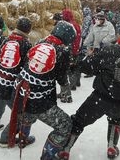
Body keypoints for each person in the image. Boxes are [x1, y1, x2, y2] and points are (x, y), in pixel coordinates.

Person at [59, 21, 120, 160]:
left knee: (79, 121)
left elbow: (88, 67)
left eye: (119, 33)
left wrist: (82, 60)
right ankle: (111, 147)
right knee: (116, 119)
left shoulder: (110, 50)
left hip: (101, 98)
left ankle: (65, 149)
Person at [6, 21, 76, 159]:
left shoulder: (40, 42)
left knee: (27, 114)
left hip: (20, 91)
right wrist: (66, 92)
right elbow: (61, 78)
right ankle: (47, 157)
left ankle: (22, 138)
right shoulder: (63, 51)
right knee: (65, 125)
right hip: (38, 99)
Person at [0, 17, 34, 146]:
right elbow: (27, 67)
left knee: (0, 103)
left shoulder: (6, 40)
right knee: (22, 113)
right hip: (12, 86)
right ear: (29, 30)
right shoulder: (26, 44)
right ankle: (6, 138)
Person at [61, 8, 82, 91]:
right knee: (76, 66)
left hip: (70, 48)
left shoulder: (68, 25)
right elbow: (79, 37)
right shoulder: (76, 24)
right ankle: (77, 81)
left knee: (69, 68)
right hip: (76, 49)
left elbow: (68, 39)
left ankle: (72, 84)